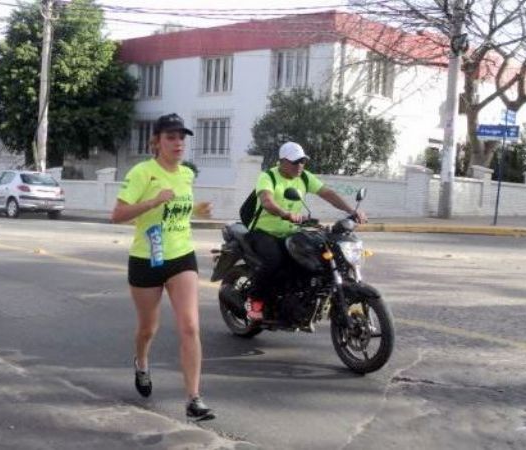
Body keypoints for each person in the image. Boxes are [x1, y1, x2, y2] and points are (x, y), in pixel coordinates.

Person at [111, 113, 215, 421]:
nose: (178, 143)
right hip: (147, 259)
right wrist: (153, 202)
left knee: (190, 326)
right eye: (171, 137)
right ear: (156, 141)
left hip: (181, 256)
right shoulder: (142, 172)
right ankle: (142, 362)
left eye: (182, 137)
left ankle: (193, 399)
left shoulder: (186, 174)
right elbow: (117, 215)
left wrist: (197, 210)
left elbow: (177, 210)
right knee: (148, 328)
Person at [245, 141, 368, 321]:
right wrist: (285, 214)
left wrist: (351, 211)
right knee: (274, 261)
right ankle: (255, 300)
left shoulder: (304, 177)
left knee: (311, 257)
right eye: (295, 162)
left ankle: (299, 298)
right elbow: (267, 202)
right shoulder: (268, 176)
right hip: (264, 231)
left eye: (302, 161)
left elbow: (328, 194)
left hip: (290, 232)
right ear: (282, 161)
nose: (300, 165)